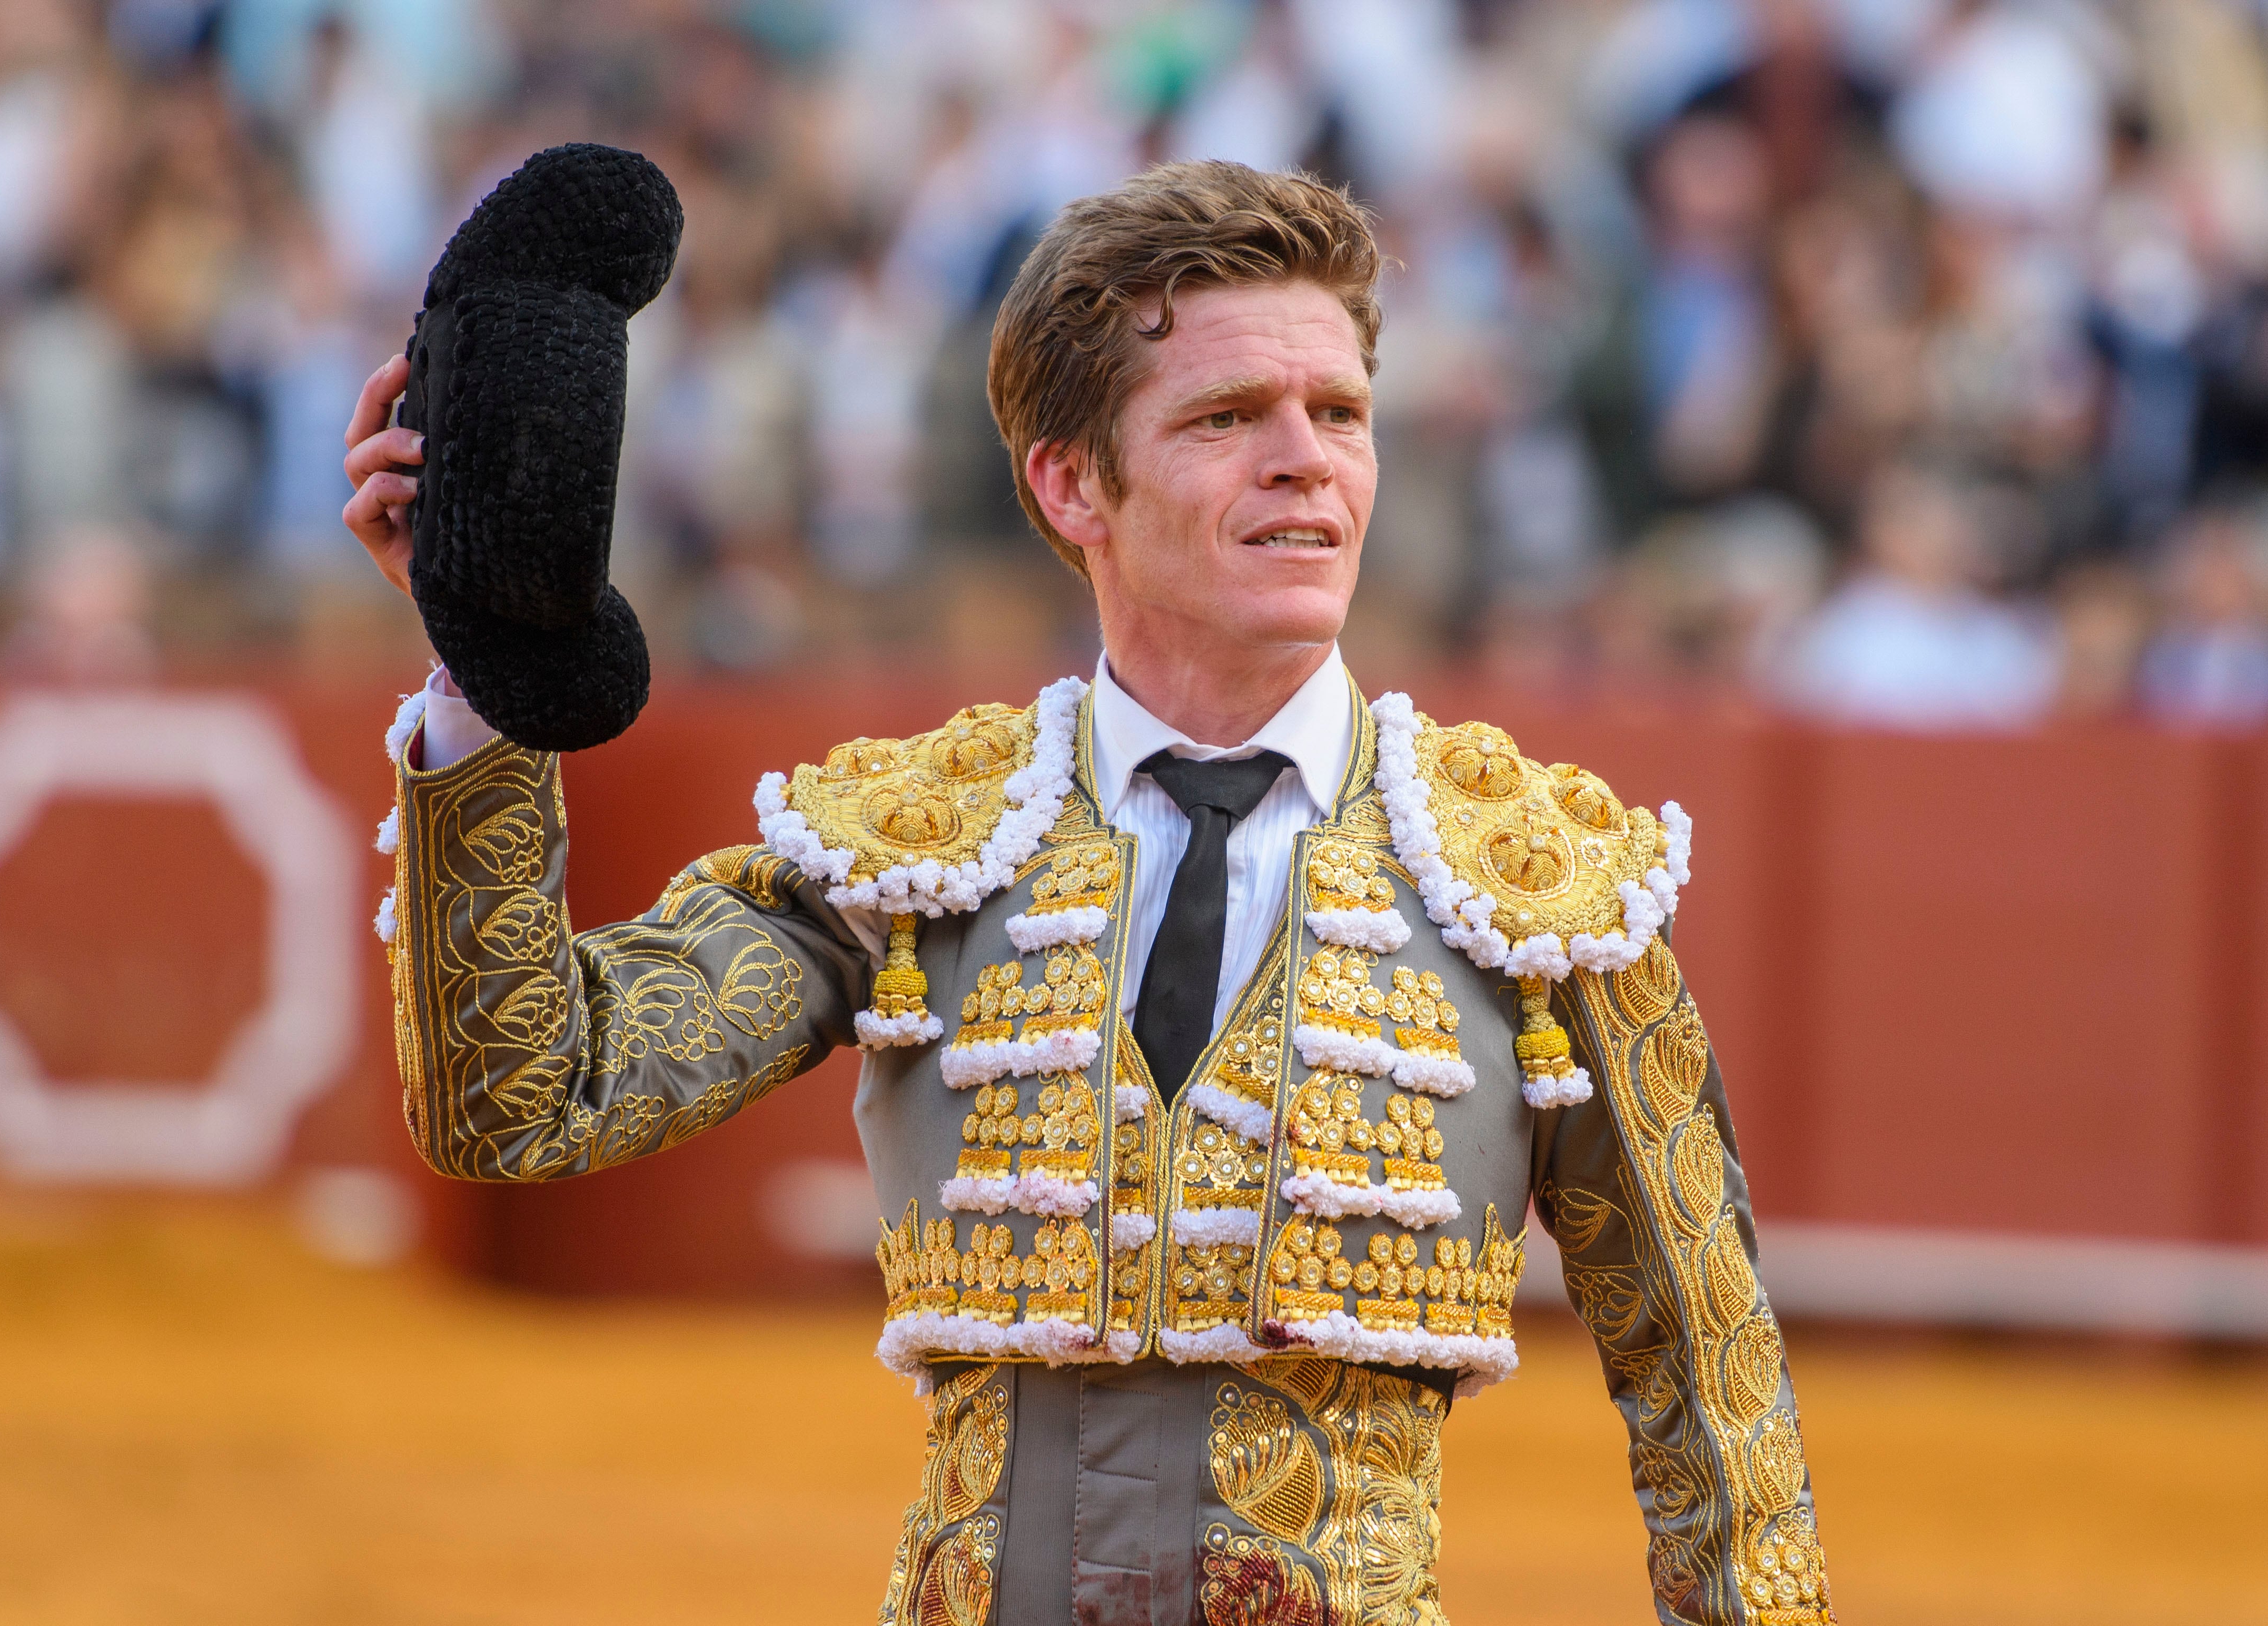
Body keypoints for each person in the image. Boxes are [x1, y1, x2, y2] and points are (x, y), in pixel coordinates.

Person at [345, 160, 1834, 1626]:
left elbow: (1716, 1401)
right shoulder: (916, 851)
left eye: (1341, 414)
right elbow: (526, 1094)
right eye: (1227, 417)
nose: (1306, 458)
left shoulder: (1536, 888)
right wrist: (488, 671)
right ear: (1072, 484)